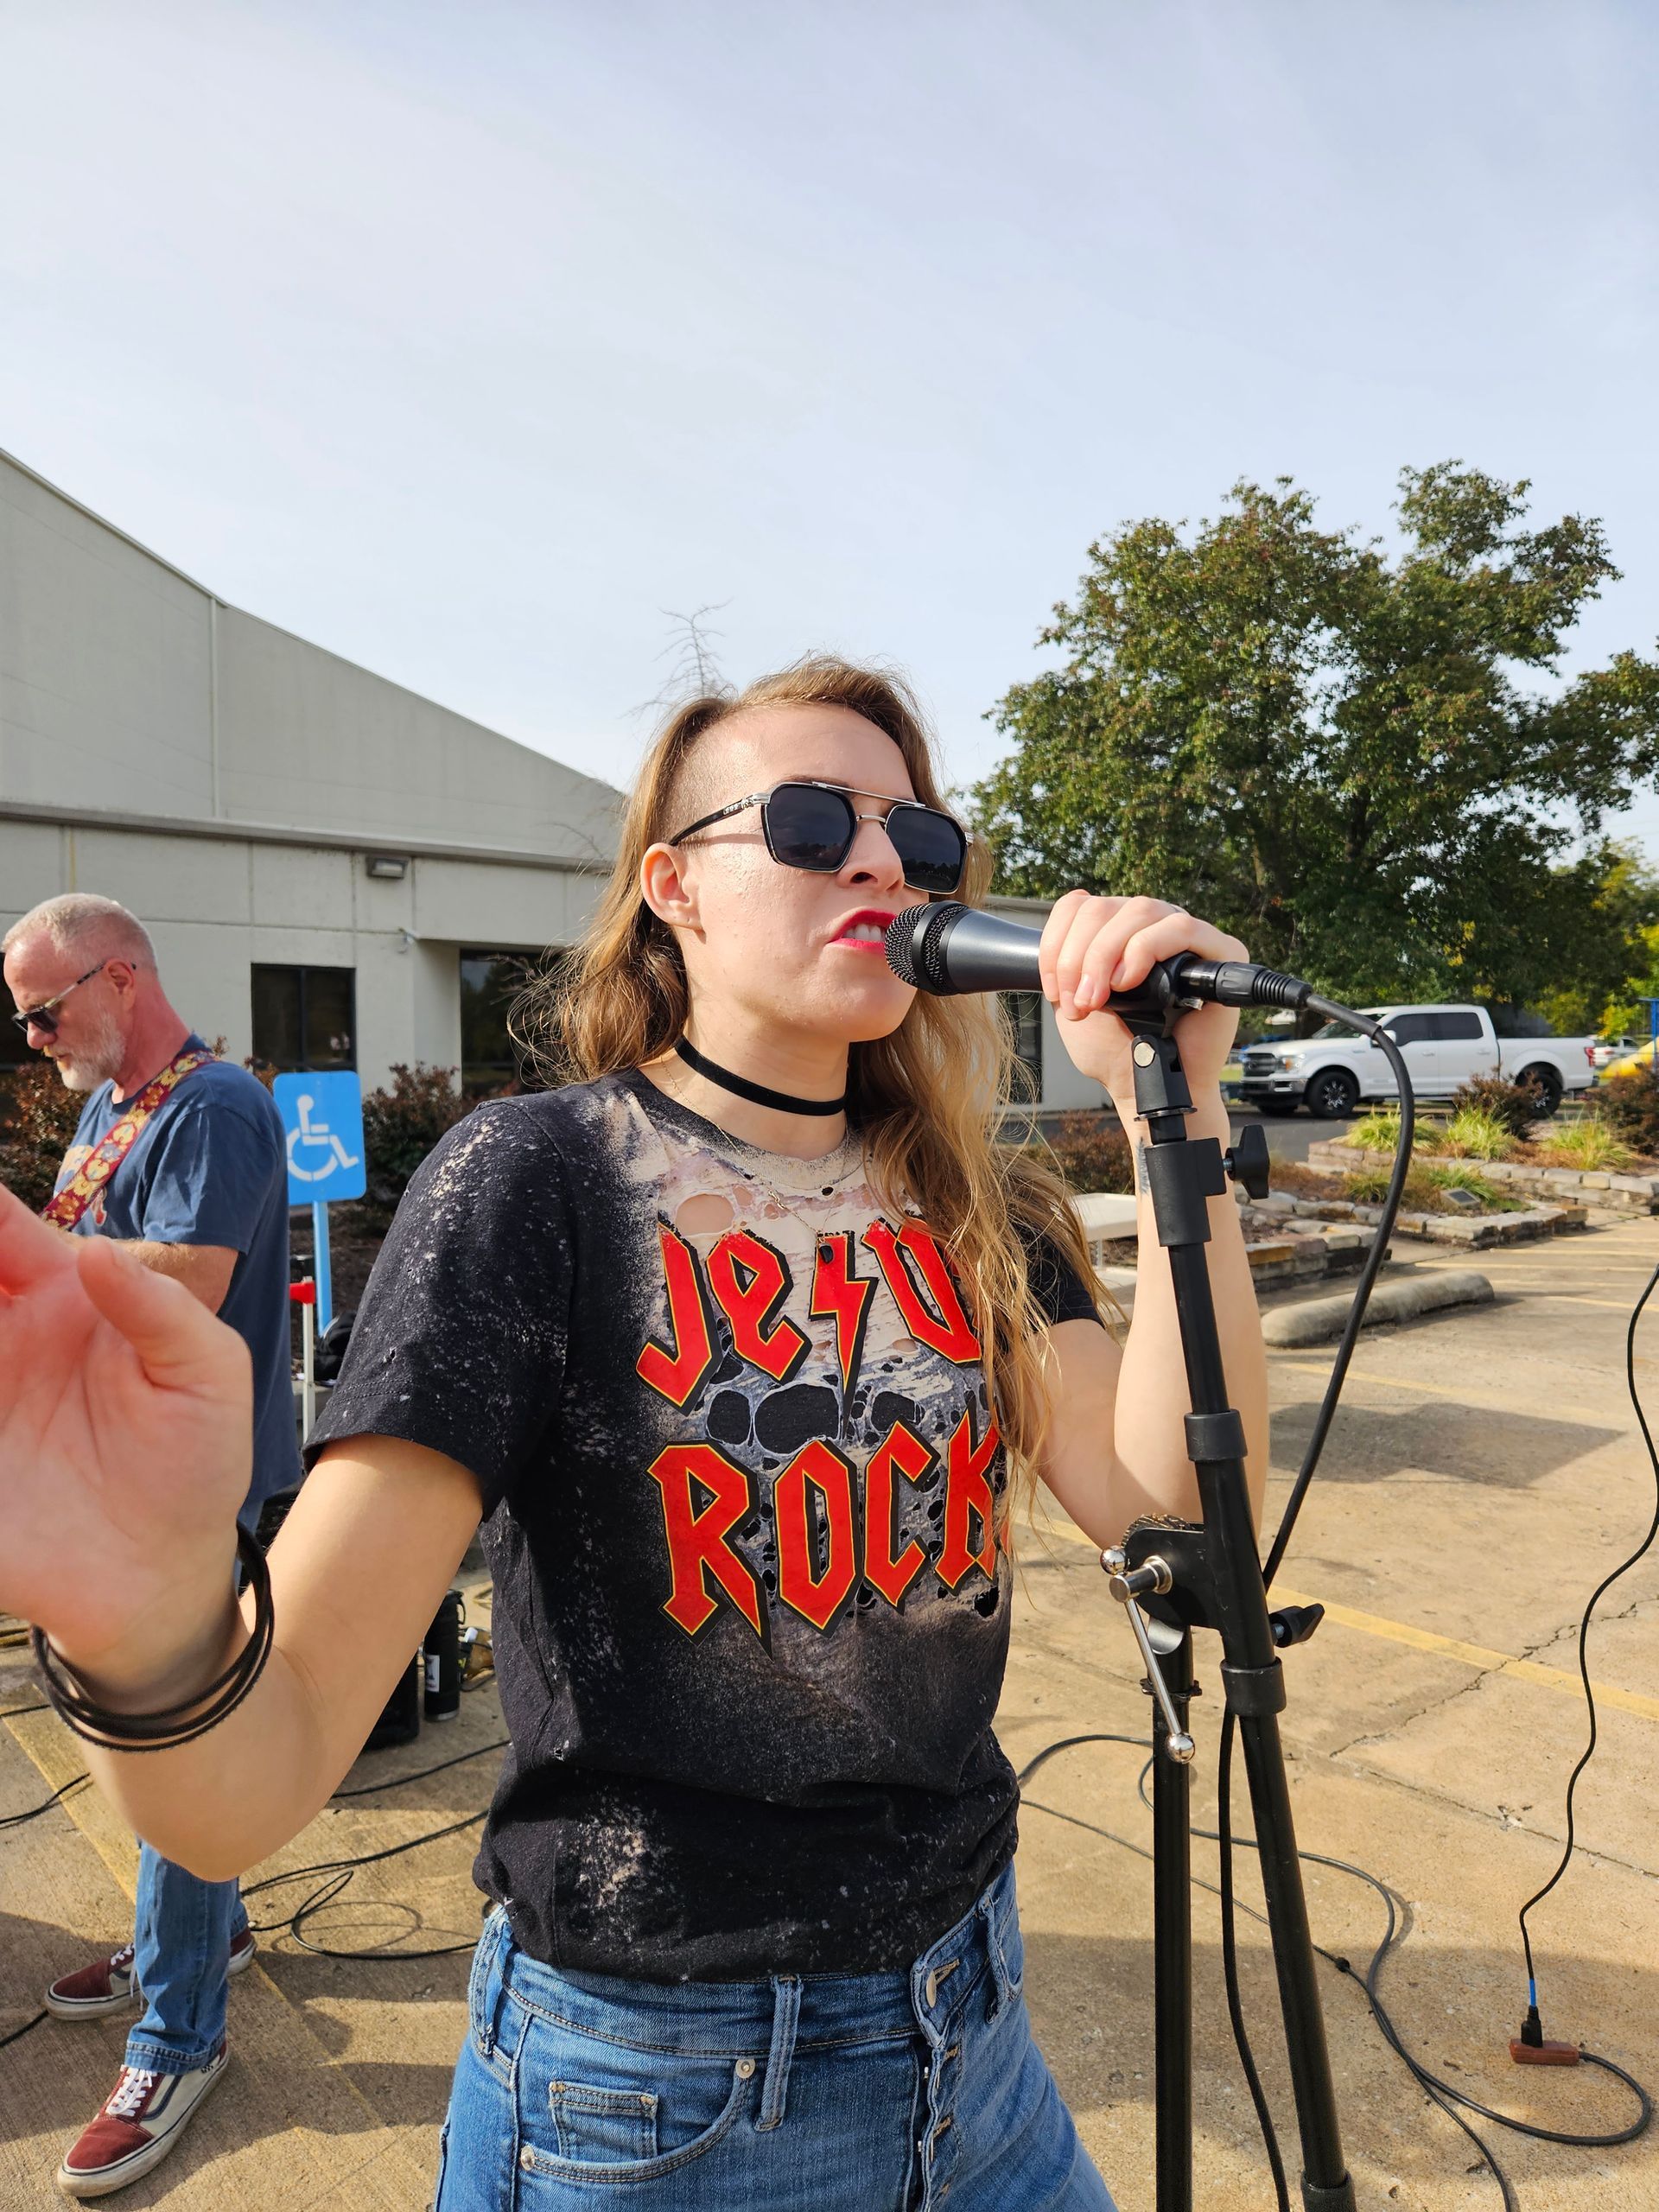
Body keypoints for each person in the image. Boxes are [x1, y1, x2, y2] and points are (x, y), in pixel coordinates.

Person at [0, 660, 1266, 2210]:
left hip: (980, 2036)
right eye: (813, 823)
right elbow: (248, 1791)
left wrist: (1176, 1114)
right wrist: (138, 1616)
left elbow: (1177, 1525)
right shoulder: (539, 1181)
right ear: (674, 889)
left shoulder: (972, 1202)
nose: (883, 863)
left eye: (921, 839)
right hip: (658, 2094)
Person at [0, 893, 301, 2197]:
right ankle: (198, 1937)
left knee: (170, 1733)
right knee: (151, 1737)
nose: (32, 1037)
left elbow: (191, 1274)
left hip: (196, 1480)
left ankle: (179, 2037)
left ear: (119, 977)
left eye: (43, 1010)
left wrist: (37, 1261)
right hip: (124, 1475)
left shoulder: (213, 1105)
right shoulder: (114, 1107)